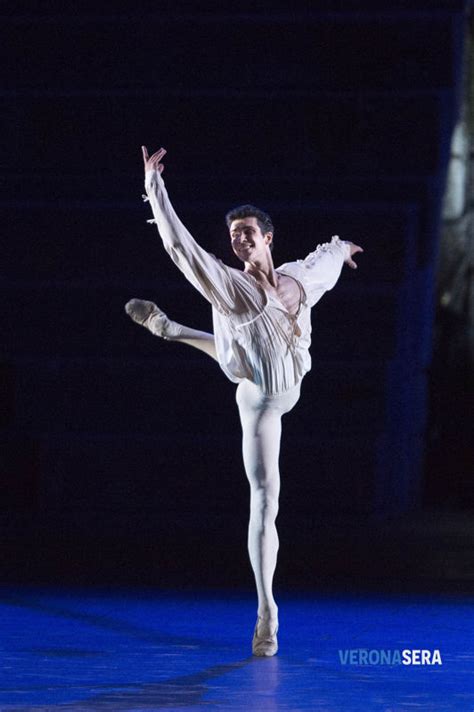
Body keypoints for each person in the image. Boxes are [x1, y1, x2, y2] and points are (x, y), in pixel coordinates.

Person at [125, 146, 363, 656]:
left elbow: (327, 260)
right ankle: (266, 610)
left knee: (237, 358)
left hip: (284, 377)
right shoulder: (231, 286)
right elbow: (181, 249)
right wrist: (154, 188)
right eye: (233, 237)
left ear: (267, 239)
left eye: (247, 234)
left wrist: (342, 249)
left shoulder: (298, 278)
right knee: (265, 497)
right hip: (258, 399)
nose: (238, 242)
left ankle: (169, 329)